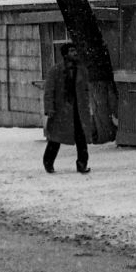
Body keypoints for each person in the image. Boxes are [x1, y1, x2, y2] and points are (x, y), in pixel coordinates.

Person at [43, 42, 103, 174]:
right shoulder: (55, 70)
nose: (75, 53)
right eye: (71, 51)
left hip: (78, 111)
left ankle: (82, 164)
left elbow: (85, 91)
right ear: (65, 54)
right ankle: (48, 162)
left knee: (81, 139)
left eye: (75, 50)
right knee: (55, 139)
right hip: (61, 111)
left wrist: (88, 107)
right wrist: (49, 109)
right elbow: (49, 91)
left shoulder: (82, 71)